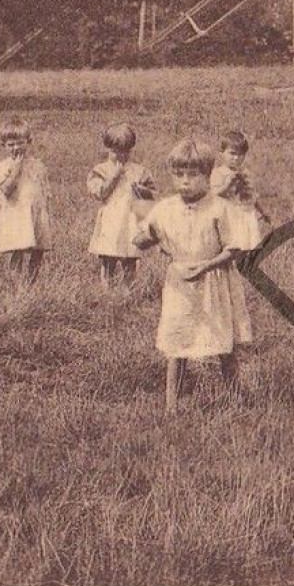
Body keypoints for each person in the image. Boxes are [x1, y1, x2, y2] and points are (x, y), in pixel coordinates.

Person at [135, 137, 252, 412]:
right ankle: (171, 407)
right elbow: (144, 239)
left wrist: (207, 266)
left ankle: (235, 399)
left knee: (223, 343)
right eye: (178, 175)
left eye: (192, 175)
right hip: (181, 284)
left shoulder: (220, 208)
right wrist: (142, 225)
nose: (184, 181)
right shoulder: (165, 208)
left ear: (207, 175)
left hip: (214, 280)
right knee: (178, 342)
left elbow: (235, 248)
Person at [86, 122, 156, 289]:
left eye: (125, 151)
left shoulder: (139, 171)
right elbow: (99, 193)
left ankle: (128, 289)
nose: (120, 156)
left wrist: (142, 190)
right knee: (108, 257)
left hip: (130, 221)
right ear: (107, 148)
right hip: (111, 221)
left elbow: (153, 194)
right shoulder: (101, 170)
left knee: (130, 257)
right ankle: (107, 289)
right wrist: (114, 176)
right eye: (115, 151)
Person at [0, 117, 51, 286]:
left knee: (38, 250)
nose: (16, 148)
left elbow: (45, 189)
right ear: (3, 145)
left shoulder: (38, 165)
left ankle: (31, 283)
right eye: (11, 144)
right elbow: (6, 189)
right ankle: (17, 286)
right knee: (18, 249)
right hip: (16, 213)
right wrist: (17, 168)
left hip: (36, 212)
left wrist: (45, 210)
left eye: (20, 143)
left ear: (29, 142)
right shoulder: (4, 166)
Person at [211, 129, 269, 267]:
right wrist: (226, 185)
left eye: (241, 154)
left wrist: (262, 211)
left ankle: (243, 267)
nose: (236, 158)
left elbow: (251, 195)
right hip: (229, 215)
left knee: (246, 244)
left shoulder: (245, 173)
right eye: (232, 153)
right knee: (231, 246)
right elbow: (213, 194)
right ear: (222, 153)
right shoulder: (218, 173)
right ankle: (227, 267)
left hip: (246, 214)